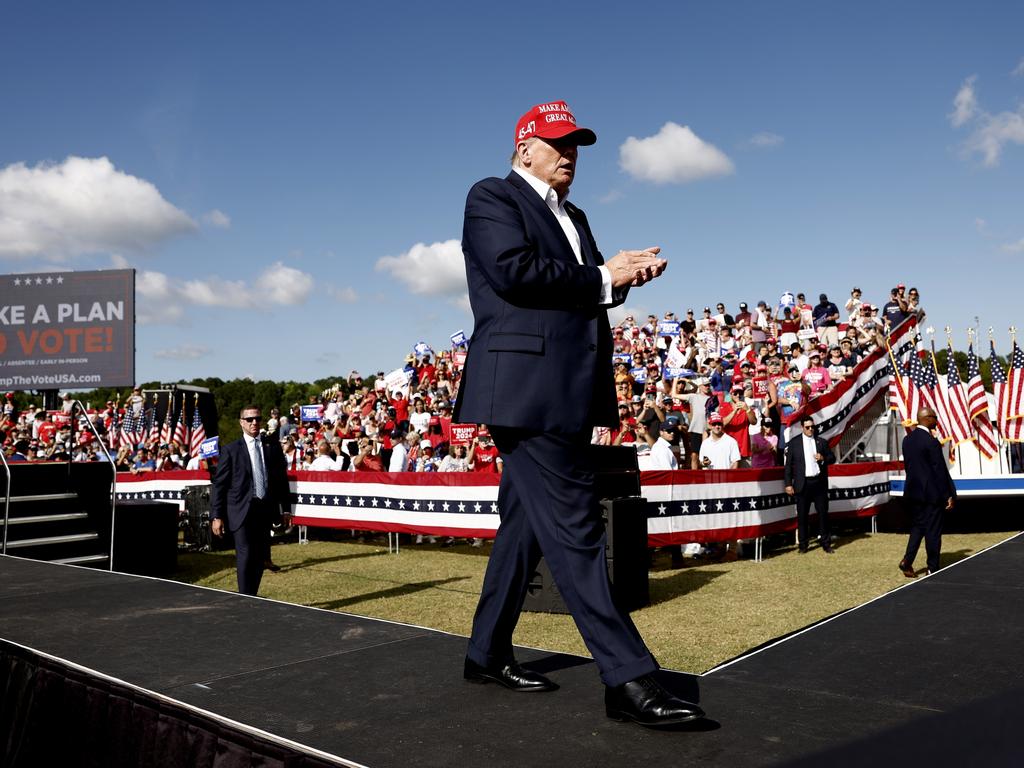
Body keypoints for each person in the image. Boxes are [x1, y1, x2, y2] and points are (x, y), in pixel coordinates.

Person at [455, 100, 703, 727]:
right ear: (524, 149)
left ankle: (484, 653)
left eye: (578, 145)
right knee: (577, 529)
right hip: (523, 391)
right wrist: (602, 276)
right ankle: (627, 677)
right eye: (558, 142)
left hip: (564, 388)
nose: (570, 155)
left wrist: (624, 280)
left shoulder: (577, 215)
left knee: (525, 525)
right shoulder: (492, 196)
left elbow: (583, 288)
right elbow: (516, 273)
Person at [211, 405, 292, 595]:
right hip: (240, 510)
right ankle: (244, 598)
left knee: (259, 556)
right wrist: (217, 515)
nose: (254, 422)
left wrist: (286, 510)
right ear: (241, 423)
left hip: (264, 509)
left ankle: (252, 597)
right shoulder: (230, 450)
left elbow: (281, 481)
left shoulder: (271, 448)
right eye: (249, 419)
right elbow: (219, 485)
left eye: (257, 419)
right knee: (245, 553)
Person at [899, 407, 956, 577]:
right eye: (935, 417)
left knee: (918, 527)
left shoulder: (907, 440)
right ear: (928, 419)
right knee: (933, 531)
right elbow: (938, 470)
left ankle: (907, 561)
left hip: (913, 492)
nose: (936, 420)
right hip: (931, 495)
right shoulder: (931, 442)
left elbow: (911, 467)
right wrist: (947, 495)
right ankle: (933, 567)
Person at [784, 416, 836, 554]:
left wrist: (823, 458)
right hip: (803, 483)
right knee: (802, 516)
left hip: (819, 483)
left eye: (812, 427)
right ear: (802, 427)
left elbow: (832, 458)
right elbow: (788, 465)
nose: (810, 429)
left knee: (823, 514)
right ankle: (803, 545)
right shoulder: (794, 443)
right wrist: (788, 484)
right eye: (807, 427)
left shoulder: (821, 442)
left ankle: (826, 543)